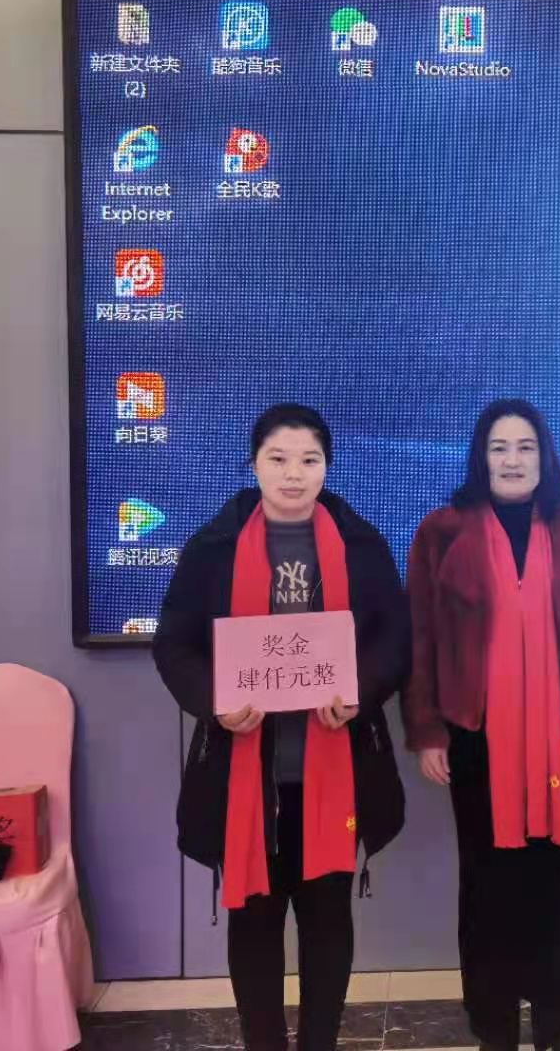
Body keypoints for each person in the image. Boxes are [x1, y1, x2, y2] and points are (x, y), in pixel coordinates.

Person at [153, 404, 410, 1051]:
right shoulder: (213, 548)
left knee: (328, 923)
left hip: (336, 772)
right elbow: (174, 644)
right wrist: (214, 700)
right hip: (245, 775)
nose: (294, 474)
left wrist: (361, 692)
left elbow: (396, 639)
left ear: (327, 467)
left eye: (309, 460)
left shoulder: (362, 545)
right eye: (278, 459)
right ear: (254, 464)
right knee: (254, 925)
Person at [403, 399, 560, 1051]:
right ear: (480, 457)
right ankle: (495, 1024)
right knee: (487, 879)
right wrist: (427, 730)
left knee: (556, 875)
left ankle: (556, 1022)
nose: (512, 460)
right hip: (474, 732)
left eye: (525, 446)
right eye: (498, 447)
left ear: (544, 456)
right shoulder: (442, 531)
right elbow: (422, 637)